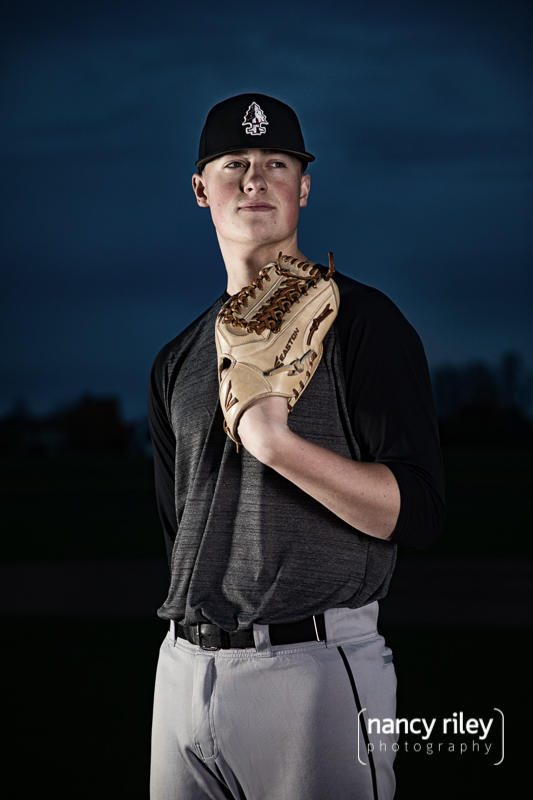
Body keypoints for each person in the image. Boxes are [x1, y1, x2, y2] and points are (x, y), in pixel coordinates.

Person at [148, 93, 446, 800]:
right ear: (200, 188)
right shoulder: (176, 357)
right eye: (234, 163)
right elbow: (178, 534)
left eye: (276, 162)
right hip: (182, 670)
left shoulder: (362, 321)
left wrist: (275, 444)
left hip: (311, 667)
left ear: (302, 187)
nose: (255, 179)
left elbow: (420, 511)